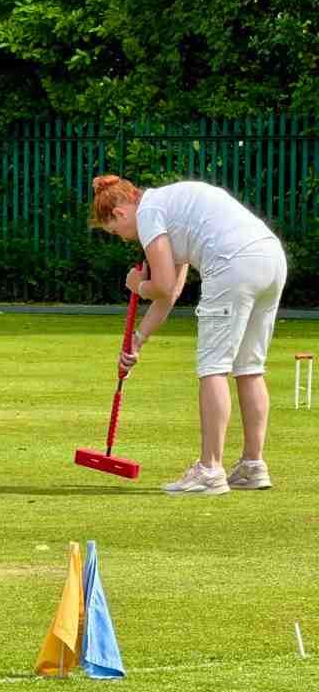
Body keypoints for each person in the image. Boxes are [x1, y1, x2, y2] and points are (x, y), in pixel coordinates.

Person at [90, 175, 287, 496]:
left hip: (232, 264)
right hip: (269, 260)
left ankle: (210, 470)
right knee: (249, 367)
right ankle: (253, 466)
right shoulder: (169, 205)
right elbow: (172, 292)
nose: (123, 238)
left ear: (121, 214)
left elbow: (162, 286)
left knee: (213, 368)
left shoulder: (149, 213)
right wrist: (138, 339)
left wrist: (137, 285)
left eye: (116, 232)